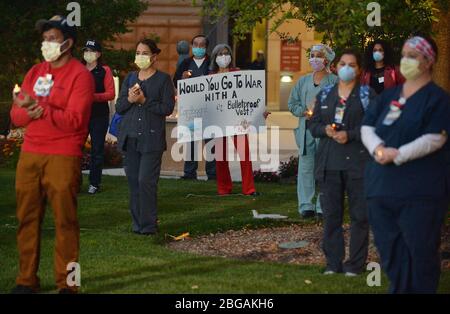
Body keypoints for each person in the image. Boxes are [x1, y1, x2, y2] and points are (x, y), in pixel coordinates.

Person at [9, 15, 94, 294]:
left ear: (68, 43)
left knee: (65, 221)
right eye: (45, 39)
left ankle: (68, 285)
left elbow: (76, 120)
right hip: (31, 153)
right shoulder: (36, 72)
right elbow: (16, 114)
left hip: (63, 154)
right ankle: (26, 281)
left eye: (53, 39)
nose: (47, 44)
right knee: (26, 219)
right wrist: (28, 110)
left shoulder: (80, 76)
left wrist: (44, 111)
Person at [361, 35, 450, 293]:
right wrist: (379, 149)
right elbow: (367, 125)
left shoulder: (438, 99)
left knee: (420, 254)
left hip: (419, 193)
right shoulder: (389, 97)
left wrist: (396, 154)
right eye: (403, 55)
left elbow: (434, 138)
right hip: (381, 190)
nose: (406, 60)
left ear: (428, 61)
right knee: (391, 254)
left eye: (413, 55)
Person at [308, 49, 376, 276]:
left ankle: (355, 265)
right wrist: (325, 130)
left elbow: (374, 126)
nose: (346, 67)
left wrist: (352, 134)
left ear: (358, 70)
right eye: (343, 63)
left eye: (352, 64)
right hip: (330, 164)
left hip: (359, 163)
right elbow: (313, 125)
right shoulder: (326, 94)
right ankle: (333, 264)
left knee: (360, 216)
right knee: (331, 217)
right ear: (336, 67)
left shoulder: (367, 96)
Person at [116, 39, 175, 235]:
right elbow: (119, 107)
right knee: (134, 182)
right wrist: (131, 100)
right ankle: (138, 224)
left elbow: (166, 109)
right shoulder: (130, 78)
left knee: (146, 181)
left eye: (144, 53)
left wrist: (144, 100)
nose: (140, 56)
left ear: (154, 56)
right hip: (130, 137)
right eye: (138, 52)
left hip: (151, 139)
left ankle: (149, 224)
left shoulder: (164, 79)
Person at [209, 44, 269, 196]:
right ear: (215, 58)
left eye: (226, 53)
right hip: (219, 121)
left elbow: (250, 96)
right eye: (220, 54)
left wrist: (260, 110)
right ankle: (224, 189)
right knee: (221, 158)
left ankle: (249, 189)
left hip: (238, 121)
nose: (224, 57)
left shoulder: (238, 74)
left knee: (244, 155)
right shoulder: (209, 78)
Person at [288, 44, 338, 219]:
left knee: (325, 169)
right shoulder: (303, 82)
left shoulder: (334, 82)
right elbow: (292, 103)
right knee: (306, 169)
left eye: (318, 55)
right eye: (312, 55)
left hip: (325, 131)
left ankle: (322, 206)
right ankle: (306, 206)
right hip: (306, 130)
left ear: (326, 59)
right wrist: (303, 111)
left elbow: (341, 105)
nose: (314, 58)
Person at [174, 34, 216, 180]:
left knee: (211, 141)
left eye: (202, 45)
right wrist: (182, 79)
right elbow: (175, 82)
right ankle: (189, 172)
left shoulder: (212, 63)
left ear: (206, 47)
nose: (198, 47)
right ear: (192, 46)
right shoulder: (185, 63)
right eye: (196, 44)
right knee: (191, 141)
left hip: (210, 109)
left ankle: (213, 173)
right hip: (191, 109)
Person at [83, 39, 115, 194]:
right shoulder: (79, 69)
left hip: (99, 116)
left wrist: (93, 97)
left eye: (92, 50)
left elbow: (111, 93)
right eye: (86, 50)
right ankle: (73, 182)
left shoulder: (104, 70)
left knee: (97, 150)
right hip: (81, 115)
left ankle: (94, 183)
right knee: (75, 149)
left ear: (98, 53)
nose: (88, 53)